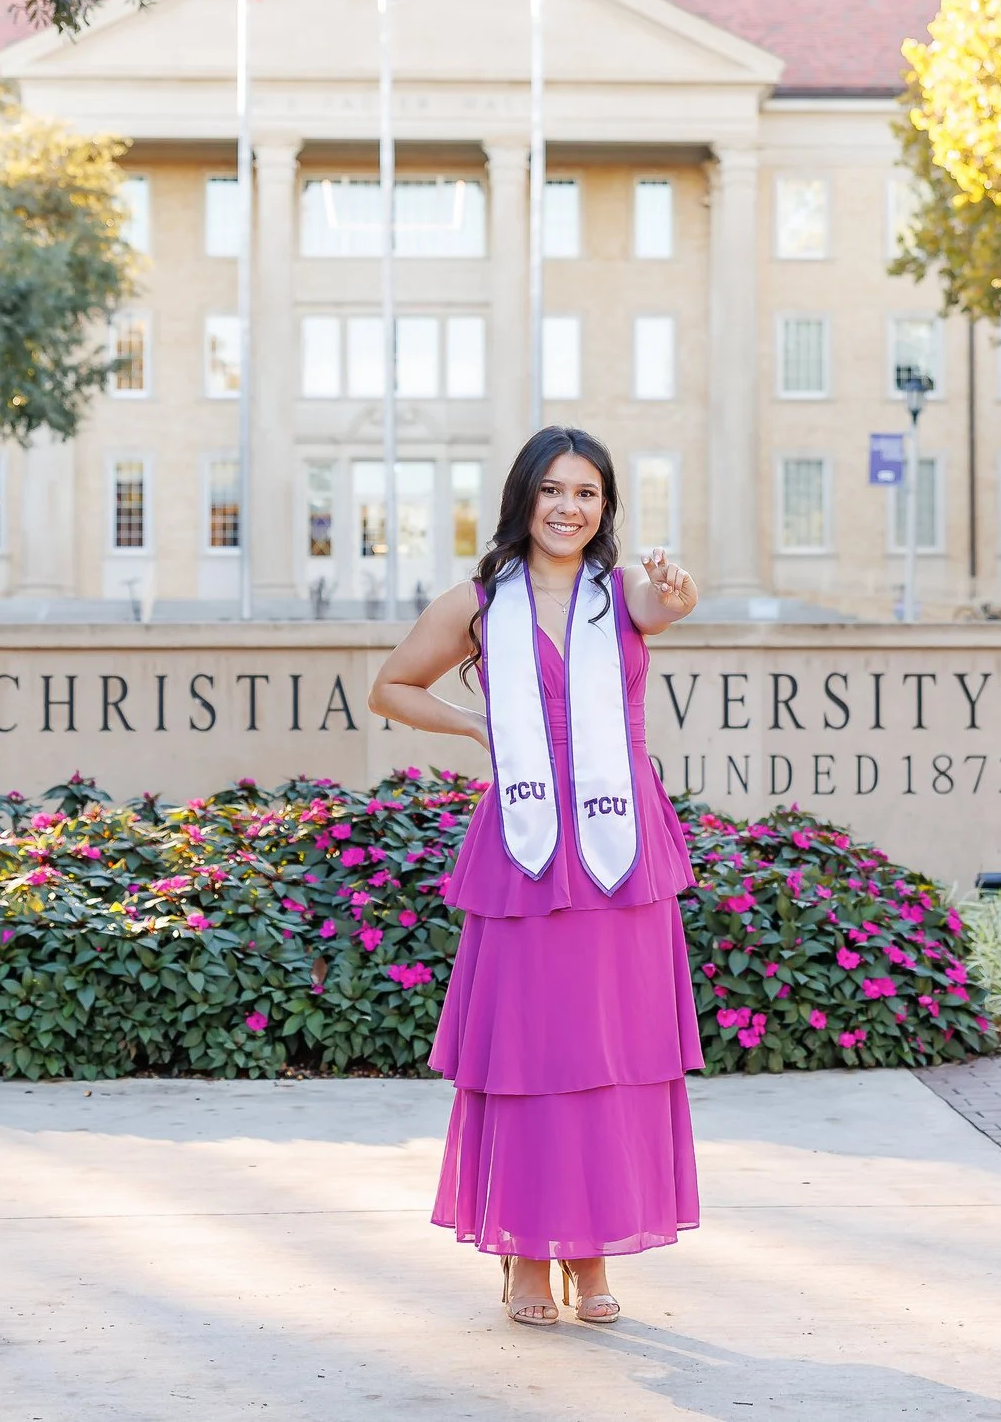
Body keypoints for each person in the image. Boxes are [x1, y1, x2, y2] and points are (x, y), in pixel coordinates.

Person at [368, 426, 703, 1326]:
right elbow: (391, 685)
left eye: (587, 492)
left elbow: (668, 606)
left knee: (611, 1058)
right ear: (524, 499)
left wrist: (676, 595)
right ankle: (522, 1251)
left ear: (606, 508)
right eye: (553, 490)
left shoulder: (621, 595)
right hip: (524, 851)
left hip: (618, 852)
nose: (569, 506)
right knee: (531, 1056)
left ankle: (593, 1255)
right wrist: (482, 729)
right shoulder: (480, 604)